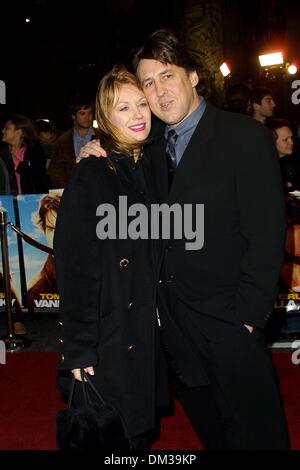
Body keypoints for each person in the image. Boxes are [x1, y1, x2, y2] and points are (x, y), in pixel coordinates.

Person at [80, 29, 289, 449]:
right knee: (214, 431)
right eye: (148, 83)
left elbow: (266, 235)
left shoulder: (242, 136)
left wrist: (247, 318)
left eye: (167, 75)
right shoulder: (151, 145)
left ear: (193, 76)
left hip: (230, 321)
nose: (158, 91)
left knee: (256, 433)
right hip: (173, 328)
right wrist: (95, 150)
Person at [54, 65, 168, 449]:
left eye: (142, 104)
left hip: (142, 332)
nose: (137, 114)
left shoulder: (149, 165)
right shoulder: (92, 174)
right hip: (108, 337)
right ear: (103, 118)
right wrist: (79, 348)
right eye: (123, 108)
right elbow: (75, 268)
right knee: (114, 438)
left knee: (137, 436)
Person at [48, 95, 94, 189]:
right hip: (70, 193)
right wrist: (66, 190)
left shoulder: (103, 138)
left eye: (89, 113)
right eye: (82, 113)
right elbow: (54, 171)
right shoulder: (62, 141)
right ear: (73, 116)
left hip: (97, 192)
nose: (87, 117)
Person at [26, 193, 60, 315]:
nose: (58, 237)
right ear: (44, 230)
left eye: (63, 228)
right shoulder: (36, 290)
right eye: (51, 229)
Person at [0, 114, 49, 195]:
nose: (2, 131)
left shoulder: (34, 150)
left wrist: (18, 163)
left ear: (19, 132)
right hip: (6, 203)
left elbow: (37, 174)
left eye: (7, 128)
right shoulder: (2, 153)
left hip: (31, 202)